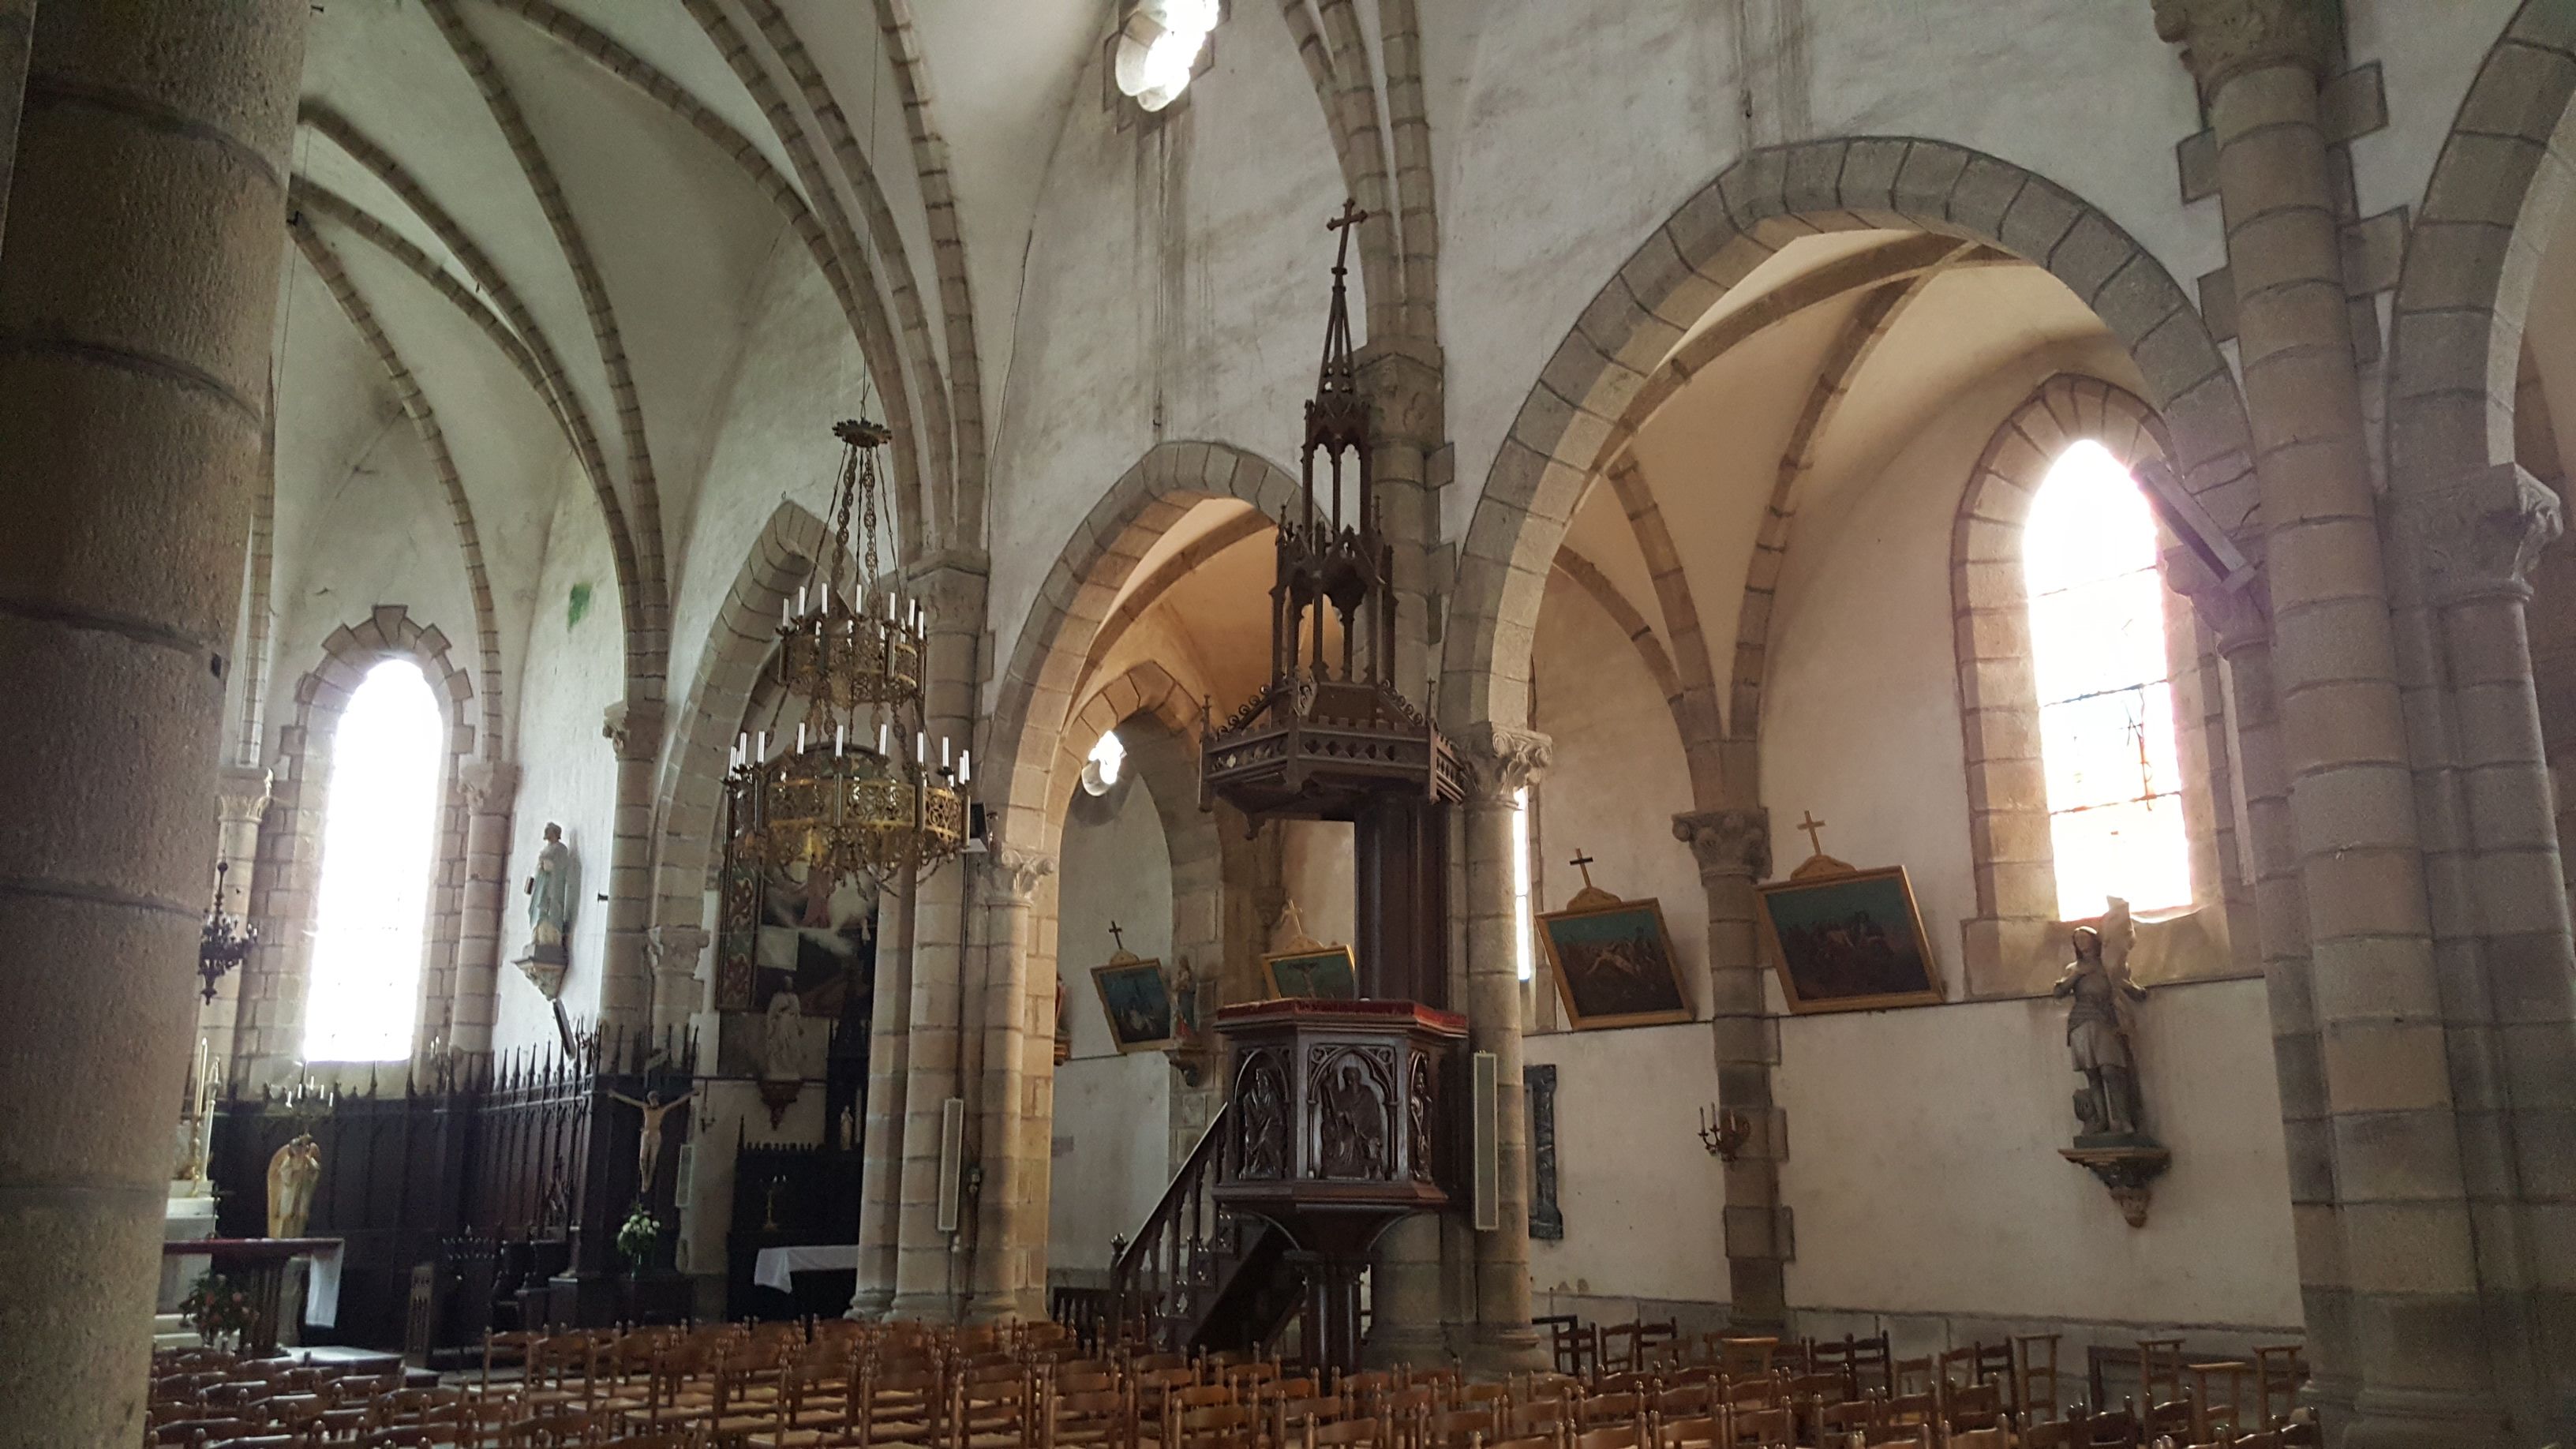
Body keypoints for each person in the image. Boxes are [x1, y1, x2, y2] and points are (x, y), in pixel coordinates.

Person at [2054, 924, 2150, 1139]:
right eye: (2077, 939)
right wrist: (2077, 975)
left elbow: (2126, 985)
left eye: (2085, 938)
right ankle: (2101, 1120)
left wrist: (2134, 989)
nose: (2081, 942)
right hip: (2081, 1020)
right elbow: (2059, 992)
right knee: (2092, 1073)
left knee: (2110, 1070)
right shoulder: (2073, 968)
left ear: (2094, 940)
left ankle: (2124, 1120)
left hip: (2105, 1019)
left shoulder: (2108, 965)